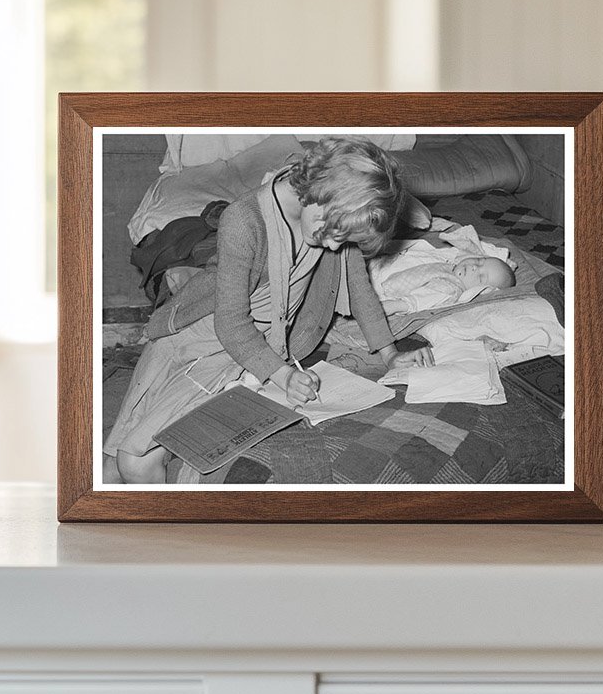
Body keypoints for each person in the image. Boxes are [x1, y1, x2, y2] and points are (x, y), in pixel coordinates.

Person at [103, 136, 434, 484]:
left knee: (133, 458)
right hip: (207, 334)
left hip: (245, 349)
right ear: (320, 192)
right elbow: (230, 323)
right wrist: (284, 375)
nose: (337, 247)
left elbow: (359, 288)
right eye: (336, 234)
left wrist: (389, 355)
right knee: (117, 463)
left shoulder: (332, 214)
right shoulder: (244, 220)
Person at [377, 254, 516, 315]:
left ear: (480, 290)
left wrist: (393, 306)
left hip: (382, 292)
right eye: (479, 261)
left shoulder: (450, 288)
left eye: (480, 276)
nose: (474, 267)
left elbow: (423, 298)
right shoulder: (450, 267)